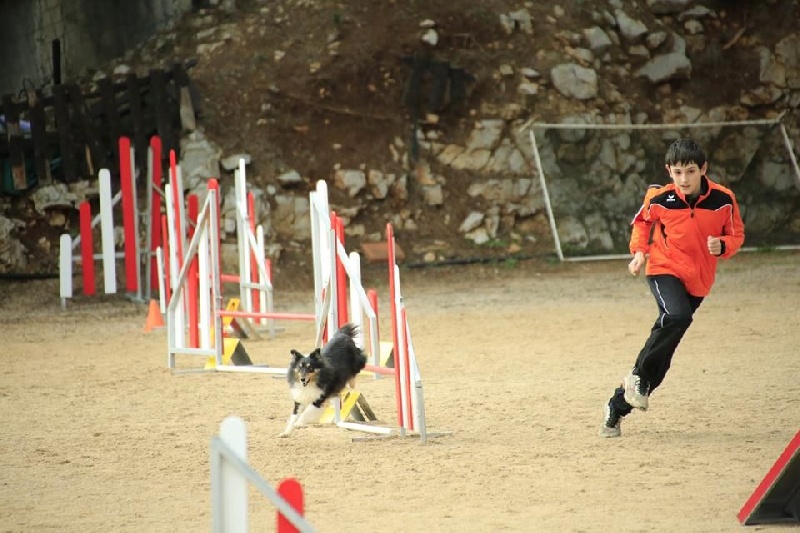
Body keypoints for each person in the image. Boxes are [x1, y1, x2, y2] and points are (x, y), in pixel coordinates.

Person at [600, 138, 745, 438]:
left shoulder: (723, 200)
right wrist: (639, 252)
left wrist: (723, 246)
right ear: (669, 171)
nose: (684, 179)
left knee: (663, 361)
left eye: (690, 171)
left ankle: (616, 406)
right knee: (676, 316)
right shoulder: (659, 197)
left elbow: (736, 235)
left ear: (703, 169)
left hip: (699, 282)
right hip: (664, 268)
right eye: (677, 172)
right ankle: (637, 377)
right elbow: (641, 223)